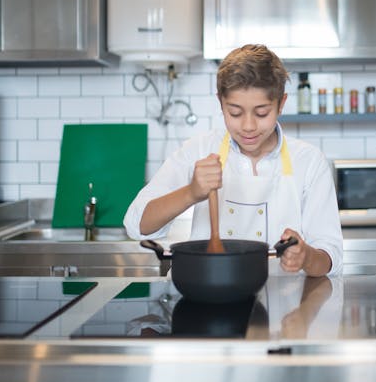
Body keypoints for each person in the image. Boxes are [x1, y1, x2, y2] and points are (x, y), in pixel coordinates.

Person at [123, 44, 343, 276]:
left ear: (281, 103)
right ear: (221, 103)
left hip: (284, 307)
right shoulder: (197, 149)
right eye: (235, 113)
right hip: (206, 299)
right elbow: (137, 225)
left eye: (261, 113)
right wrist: (191, 192)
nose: (248, 126)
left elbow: (332, 258)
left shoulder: (309, 162)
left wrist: (307, 256)